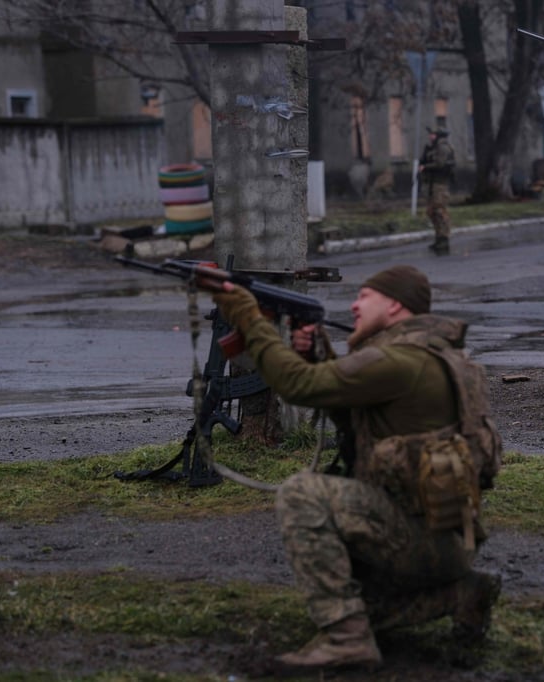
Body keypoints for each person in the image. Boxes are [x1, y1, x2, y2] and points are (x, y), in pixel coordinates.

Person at [210, 264, 502, 675]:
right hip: (448, 538)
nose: (353, 305)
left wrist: (249, 318)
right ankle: (460, 594)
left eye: (365, 297)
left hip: (419, 538)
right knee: (363, 608)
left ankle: (346, 640)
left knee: (303, 493)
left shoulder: (398, 360)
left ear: (396, 305)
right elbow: (353, 415)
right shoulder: (435, 356)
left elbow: (298, 387)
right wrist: (318, 358)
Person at [419, 126, 456, 255]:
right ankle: (438, 238)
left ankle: (444, 239)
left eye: (433, 134)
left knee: (440, 211)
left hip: (440, 184)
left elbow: (440, 164)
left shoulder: (443, 147)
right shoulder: (433, 148)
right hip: (432, 184)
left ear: (439, 135)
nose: (430, 136)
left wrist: (425, 167)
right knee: (432, 212)